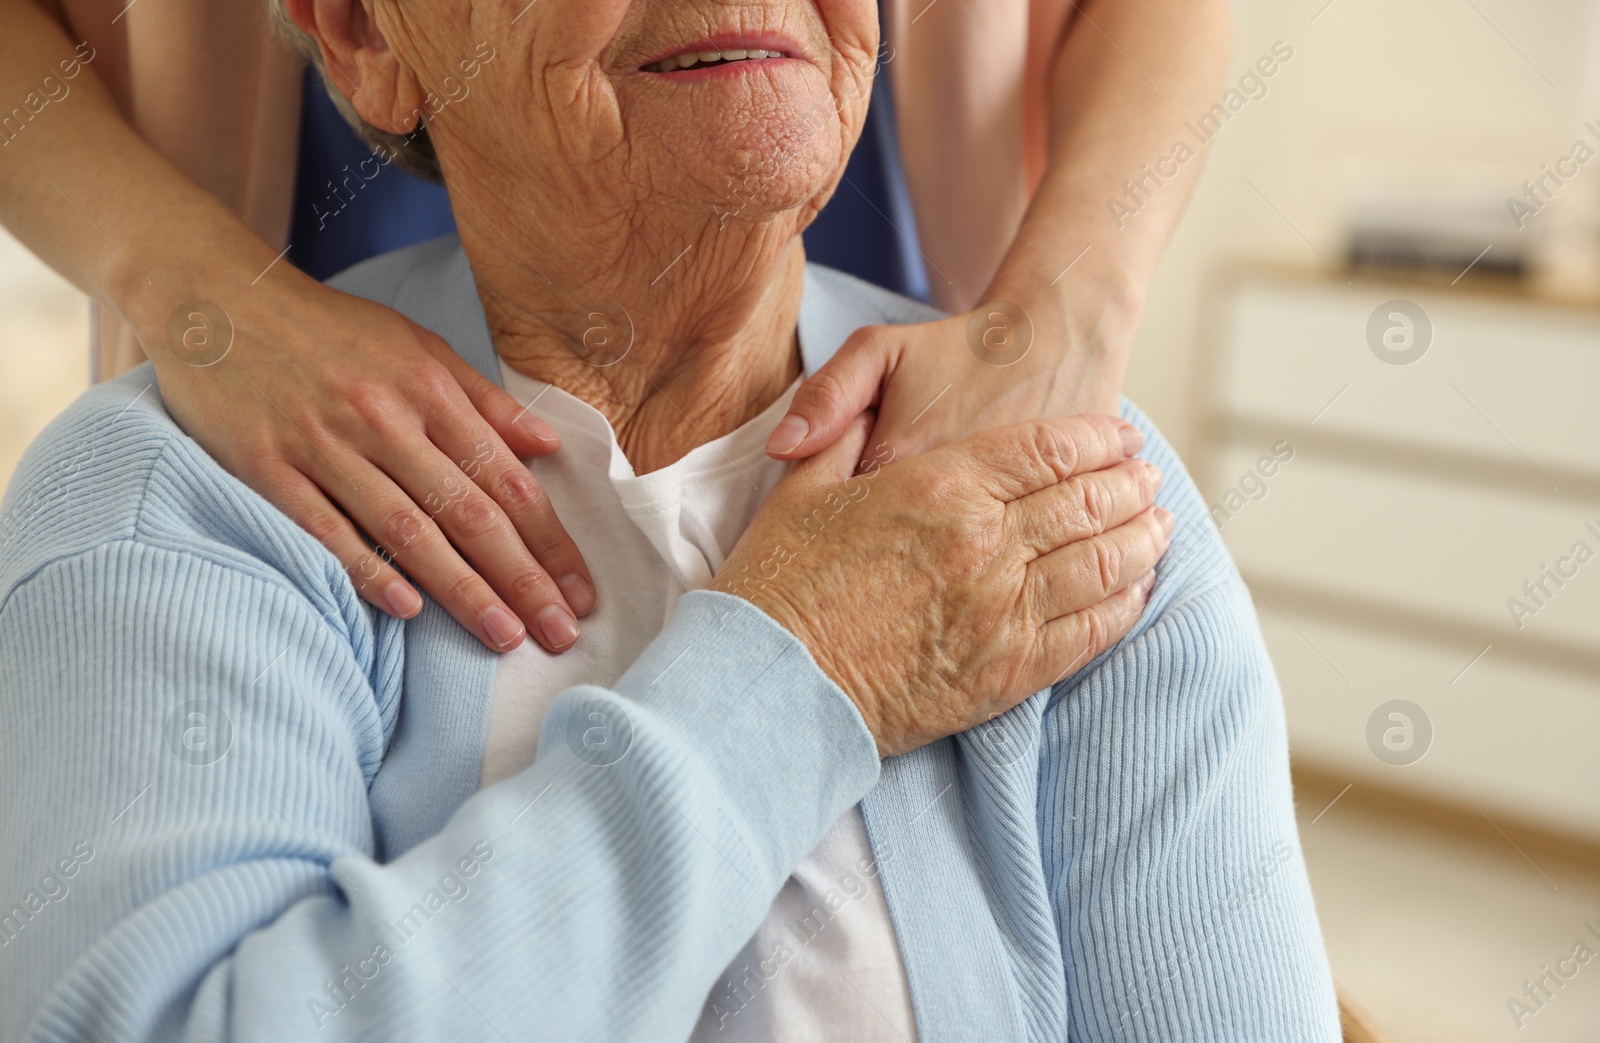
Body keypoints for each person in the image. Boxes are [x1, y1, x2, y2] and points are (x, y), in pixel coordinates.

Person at [0, 0, 1343, 1043]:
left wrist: (1062, 315)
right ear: (360, 32)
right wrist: (802, 660)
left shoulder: (1066, 505)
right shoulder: (174, 503)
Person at [0, 0, 1228, 655]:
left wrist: (1067, 306)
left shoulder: (1105, 517)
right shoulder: (157, 524)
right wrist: (199, 293)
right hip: (290, 337)